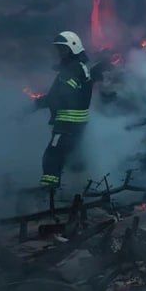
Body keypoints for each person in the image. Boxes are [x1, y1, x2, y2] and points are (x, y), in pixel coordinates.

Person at [33, 31, 93, 188]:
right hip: (76, 124)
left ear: (74, 47)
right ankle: (79, 190)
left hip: (67, 124)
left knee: (52, 155)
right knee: (74, 157)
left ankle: (48, 193)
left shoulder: (72, 70)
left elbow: (59, 95)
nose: (60, 53)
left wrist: (33, 106)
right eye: (59, 49)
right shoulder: (77, 67)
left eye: (63, 49)